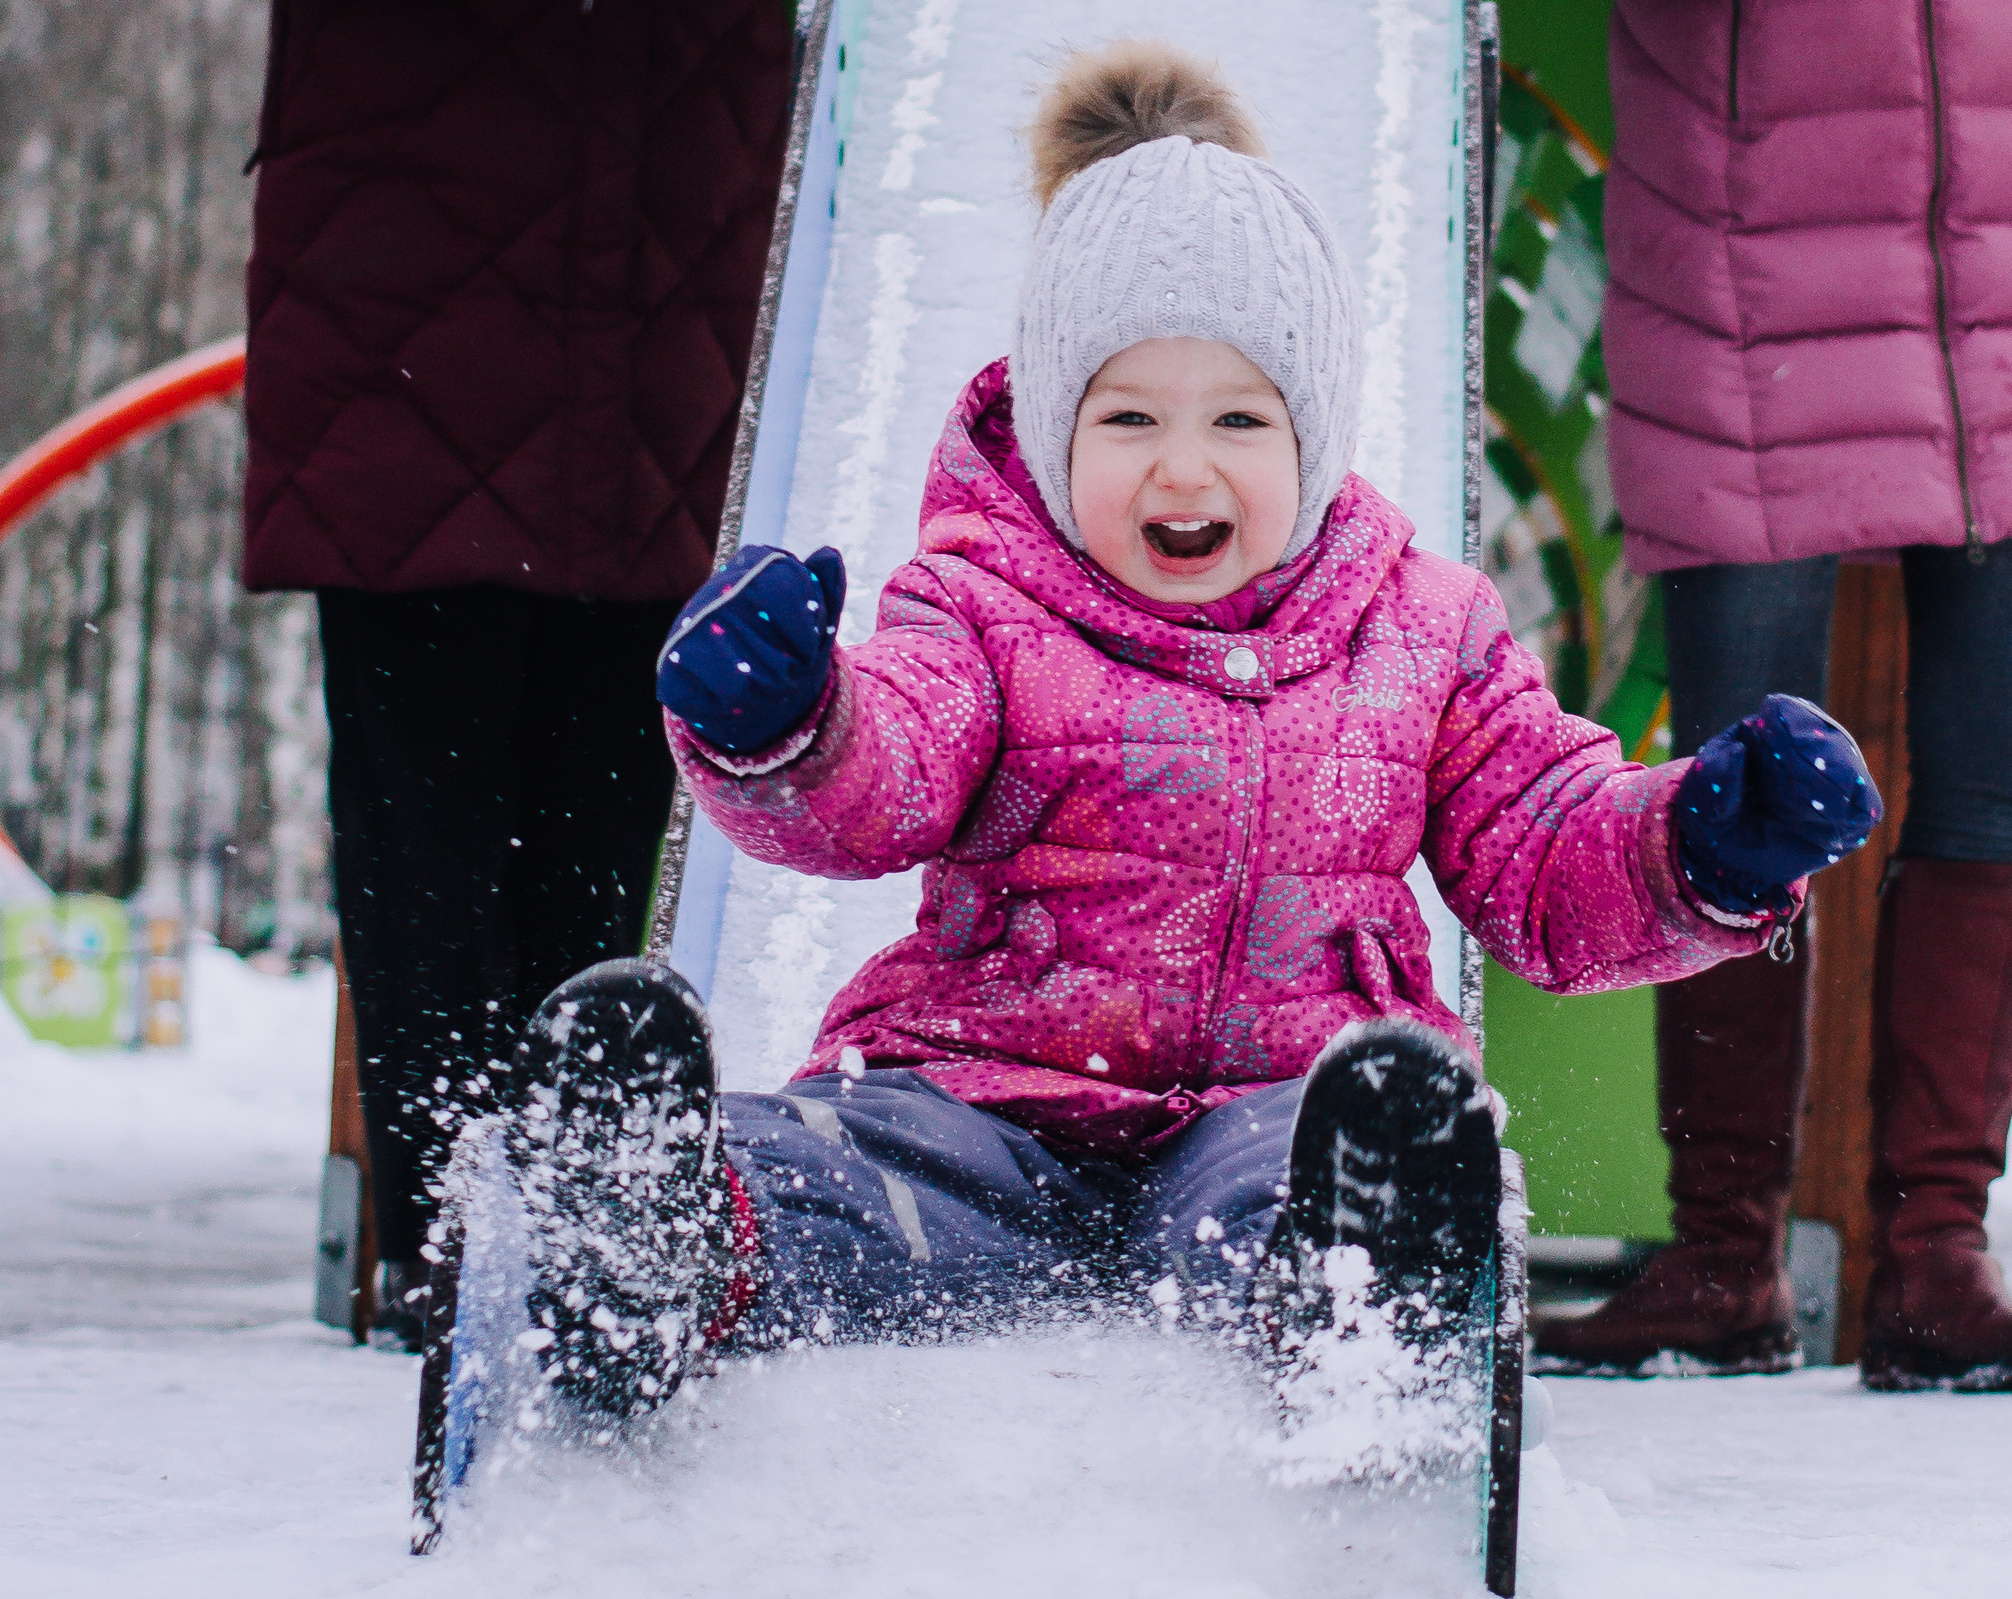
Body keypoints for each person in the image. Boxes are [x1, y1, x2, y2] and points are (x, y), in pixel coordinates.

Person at [500, 43, 1880, 1413]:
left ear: (1314, 433)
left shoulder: (1421, 629)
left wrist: (1702, 844)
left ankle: (1363, 1274)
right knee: (860, 1166)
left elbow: (1542, 849)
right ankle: (667, 1231)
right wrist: (790, 722)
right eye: (1127, 417)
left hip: (1279, 1106)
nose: (1182, 463)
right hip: (987, 1091)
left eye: (1237, 415)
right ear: (1052, 431)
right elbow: (889, 772)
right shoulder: (982, 603)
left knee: (1305, 1175)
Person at [1533, 0, 2012, 1394]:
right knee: (1732, 813)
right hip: (1745, 309)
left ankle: (1936, 1257)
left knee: (1991, 804)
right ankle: (1723, 1254)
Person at [239, 0, 793, 1346]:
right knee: (431, 830)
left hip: (659, 272)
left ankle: (565, 1238)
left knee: (594, 833)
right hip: (418, 277)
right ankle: (461, 1245)